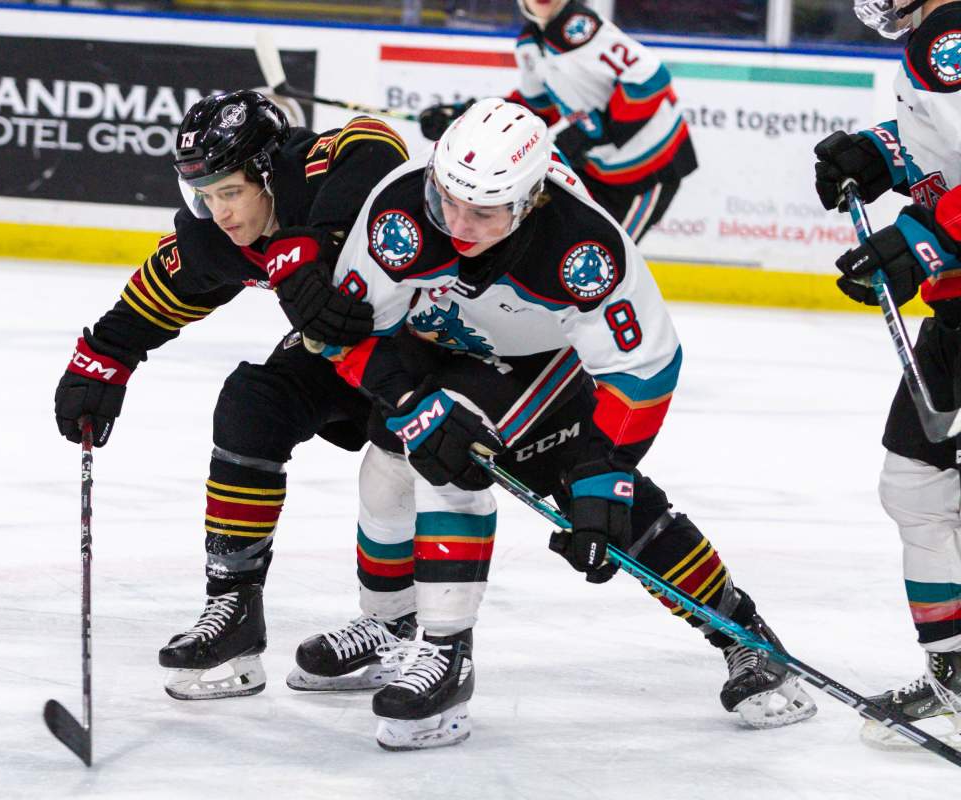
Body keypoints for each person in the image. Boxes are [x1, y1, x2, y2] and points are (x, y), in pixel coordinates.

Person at [283, 98, 815, 750]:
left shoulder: (583, 246)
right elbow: (350, 331)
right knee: (390, 461)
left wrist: (603, 475)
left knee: (594, 501)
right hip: (445, 341)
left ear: (530, 200)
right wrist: (402, 397)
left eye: (483, 212)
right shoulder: (399, 210)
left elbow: (643, 366)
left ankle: (737, 631)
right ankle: (393, 628)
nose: (455, 222)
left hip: (546, 358)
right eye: (447, 198)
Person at [53, 90, 409, 700]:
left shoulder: (314, 171)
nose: (219, 212)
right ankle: (235, 613)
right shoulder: (220, 235)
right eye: (206, 195)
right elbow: (167, 287)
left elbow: (377, 140)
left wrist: (310, 247)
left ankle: (397, 624)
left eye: (232, 191)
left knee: (392, 459)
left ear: (269, 174)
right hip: (341, 350)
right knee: (252, 404)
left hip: (430, 347)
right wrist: (105, 358)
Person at [814, 0, 961, 748]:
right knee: (915, 482)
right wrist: (880, 154)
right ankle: (955, 674)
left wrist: (924, 243)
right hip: (958, 318)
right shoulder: (937, 38)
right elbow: (945, 152)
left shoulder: (951, 34)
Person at [416, 0, 696, 242]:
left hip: (647, 171)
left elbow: (650, 78)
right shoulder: (530, 43)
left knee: (603, 256)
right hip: (597, 168)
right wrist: (470, 120)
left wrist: (600, 131)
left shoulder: (582, 30)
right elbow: (537, 106)